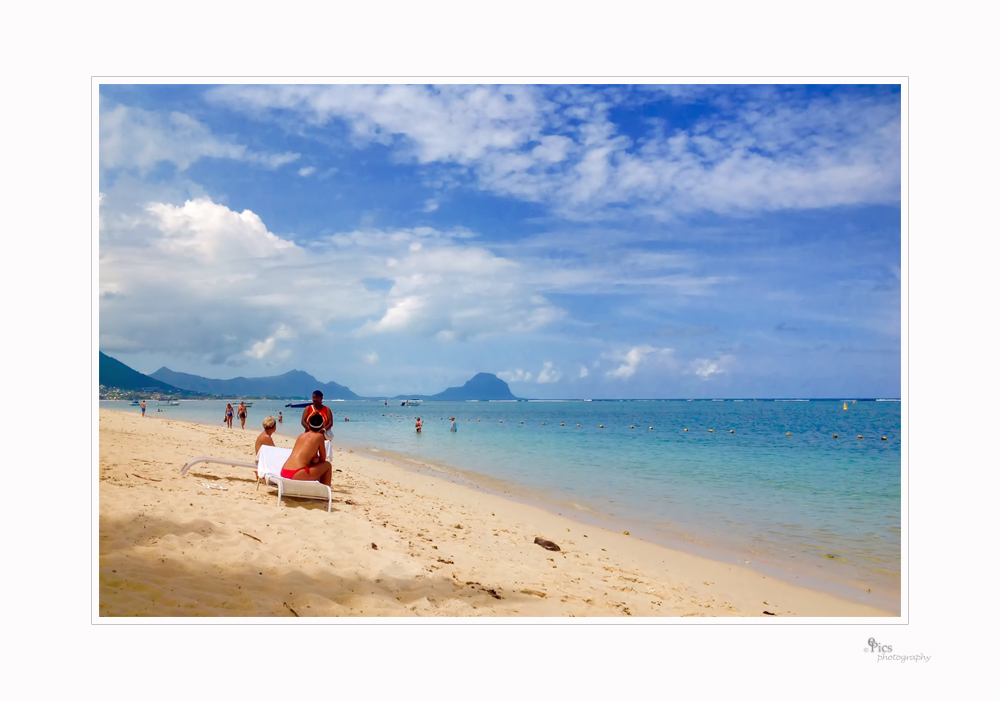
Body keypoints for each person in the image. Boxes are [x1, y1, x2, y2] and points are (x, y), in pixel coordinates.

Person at [280, 413, 332, 487]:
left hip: (284, 471)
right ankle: (324, 494)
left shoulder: (301, 435)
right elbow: (323, 459)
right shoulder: (319, 436)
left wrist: (314, 459)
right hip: (296, 473)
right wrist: (317, 460)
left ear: (309, 424)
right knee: (327, 465)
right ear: (322, 426)